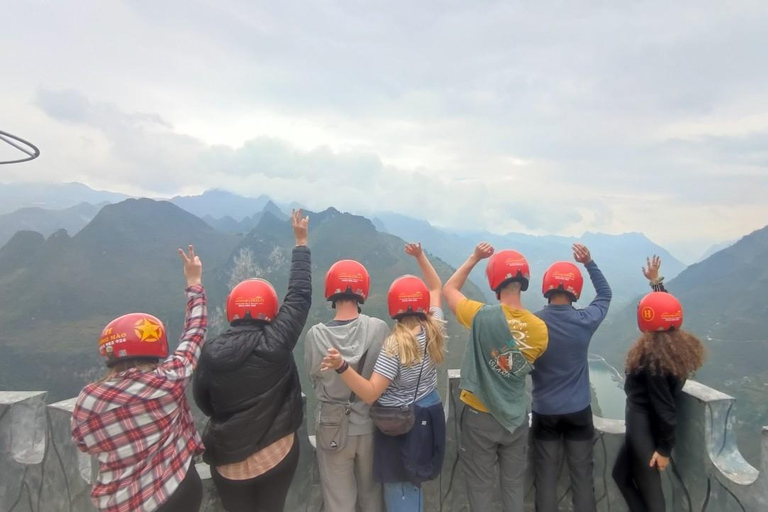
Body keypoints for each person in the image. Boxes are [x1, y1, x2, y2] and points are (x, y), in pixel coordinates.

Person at [71, 245, 207, 512]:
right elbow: (194, 332)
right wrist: (194, 282)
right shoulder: (168, 380)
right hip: (178, 489)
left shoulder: (88, 400)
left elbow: (83, 442)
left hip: (120, 502)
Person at [192, 210, 311, 512]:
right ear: (270, 310)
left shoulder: (210, 353)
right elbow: (299, 296)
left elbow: (203, 401)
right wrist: (301, 243)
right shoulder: (276, 342)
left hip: (229, 462)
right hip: (277, 455)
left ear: (232, 310)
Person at [321, 243, 447, 512]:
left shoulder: (395, 345)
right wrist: (421, 256)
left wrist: (342, 366)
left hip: (401, 426)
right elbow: (436, 287)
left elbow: (370, 393)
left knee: (399, 488)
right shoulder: (434, 328)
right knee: (413, 484)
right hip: (429, 416)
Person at [443, 242, 549, 512]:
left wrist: (475, 257)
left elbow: (449, 290)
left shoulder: (481, 316)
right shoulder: (540, 329)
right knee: (513, 486)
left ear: (495, 280)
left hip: (479, 417)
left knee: (480, 488)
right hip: (515, 418)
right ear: (523, 281)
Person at [612, 256, 705, 512]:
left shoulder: (654, 359)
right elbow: (665, 313)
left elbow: (665, 409)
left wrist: (664, 449)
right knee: (620, 476)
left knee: (654, 501)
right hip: (641, 427)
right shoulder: (671, 347)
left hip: (644, 429)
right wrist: (656, 285)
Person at [531, 243, 612, 512]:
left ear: (546, 288)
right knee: (582, 478)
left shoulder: (533, 324)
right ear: (575, 291)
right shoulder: (585, 320)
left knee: (545, 479)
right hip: (578, 412)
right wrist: (589, 262)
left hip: (544, 413)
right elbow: (605, 294)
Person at [305, 259, 388, 512]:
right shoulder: (379, 328)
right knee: (371, 495)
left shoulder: (315, 335)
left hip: (332, 428)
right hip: (370, 426)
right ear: (363, 290)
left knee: (339, 501)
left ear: (331, 291)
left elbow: (313, 376)